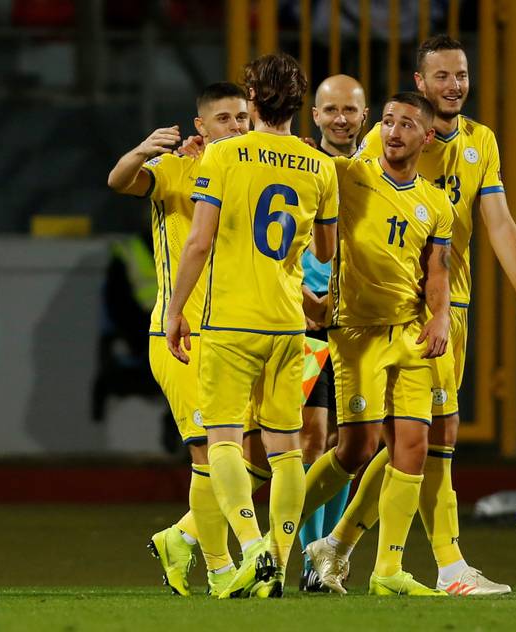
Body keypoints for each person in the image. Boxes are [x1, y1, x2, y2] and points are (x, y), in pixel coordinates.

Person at [304, 33, 516, 597]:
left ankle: (343, 547)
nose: (454, 84)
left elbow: (500, 224)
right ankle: (441, 562)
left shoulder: (480, 143)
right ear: (420, 84)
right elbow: (325, 208)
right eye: (442, 76)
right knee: (400, 442)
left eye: (461, 74)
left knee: (426, 438)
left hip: (446, 309)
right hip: (383, 317)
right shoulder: (380, 149)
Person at [166, 52, 339, 599]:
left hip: (232, 321)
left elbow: (198, 242)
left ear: (253, 98)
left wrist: (174, 310)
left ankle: (251, 546)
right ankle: (280, 563)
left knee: (223, 439)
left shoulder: (225, 156)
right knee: (286, 447)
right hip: (290, 324)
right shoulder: (320, 165)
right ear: (300, 103)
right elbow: (327, 249)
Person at [106, 82, 274, 597]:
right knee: (209, 451)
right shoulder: (177, 168)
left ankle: (181, 538)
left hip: (236, 328)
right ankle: (229, 565)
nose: (236, 127)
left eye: (243, 117)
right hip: (178, 331)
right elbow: (119, 182)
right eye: (224, 119)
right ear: (201, 126)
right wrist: (142, 150)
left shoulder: (249, 172)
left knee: (260, 456)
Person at [303, 92, 454, 597]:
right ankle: (279, 531)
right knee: (356, 449)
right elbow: (302, 172)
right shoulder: (351, 175)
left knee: (412, 446)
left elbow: (437, 268)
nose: (394, 131)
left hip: (409, 333)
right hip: (355, 332)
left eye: (407, 124)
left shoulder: (436, 202)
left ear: (426, 137)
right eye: (388, 121)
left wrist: (440, 317)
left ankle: (386, 570)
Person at [298, 74, 369, 592]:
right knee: (309, 441)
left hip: (355, 324)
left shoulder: (376, 172)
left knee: (350, 446)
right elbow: (281, 246)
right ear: (316, 117)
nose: (340, 118)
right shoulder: (304, 170)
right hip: (306, 320)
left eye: (350, 109)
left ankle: (329, 558)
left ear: (363, 115)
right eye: (331, 110)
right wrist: (308, 301)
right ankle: (303, 555)